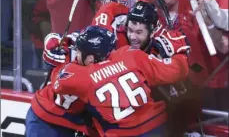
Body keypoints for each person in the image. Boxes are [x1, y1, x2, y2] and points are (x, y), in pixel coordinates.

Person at [51, 24, 190, 137]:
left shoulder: (81, 76)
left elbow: (57, 81)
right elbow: (177, 72)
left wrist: (63, 54)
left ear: (91, 59)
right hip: (158, 127)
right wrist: (180, 53)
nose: (77, 55)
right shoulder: (131, 54)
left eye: (79, 51)